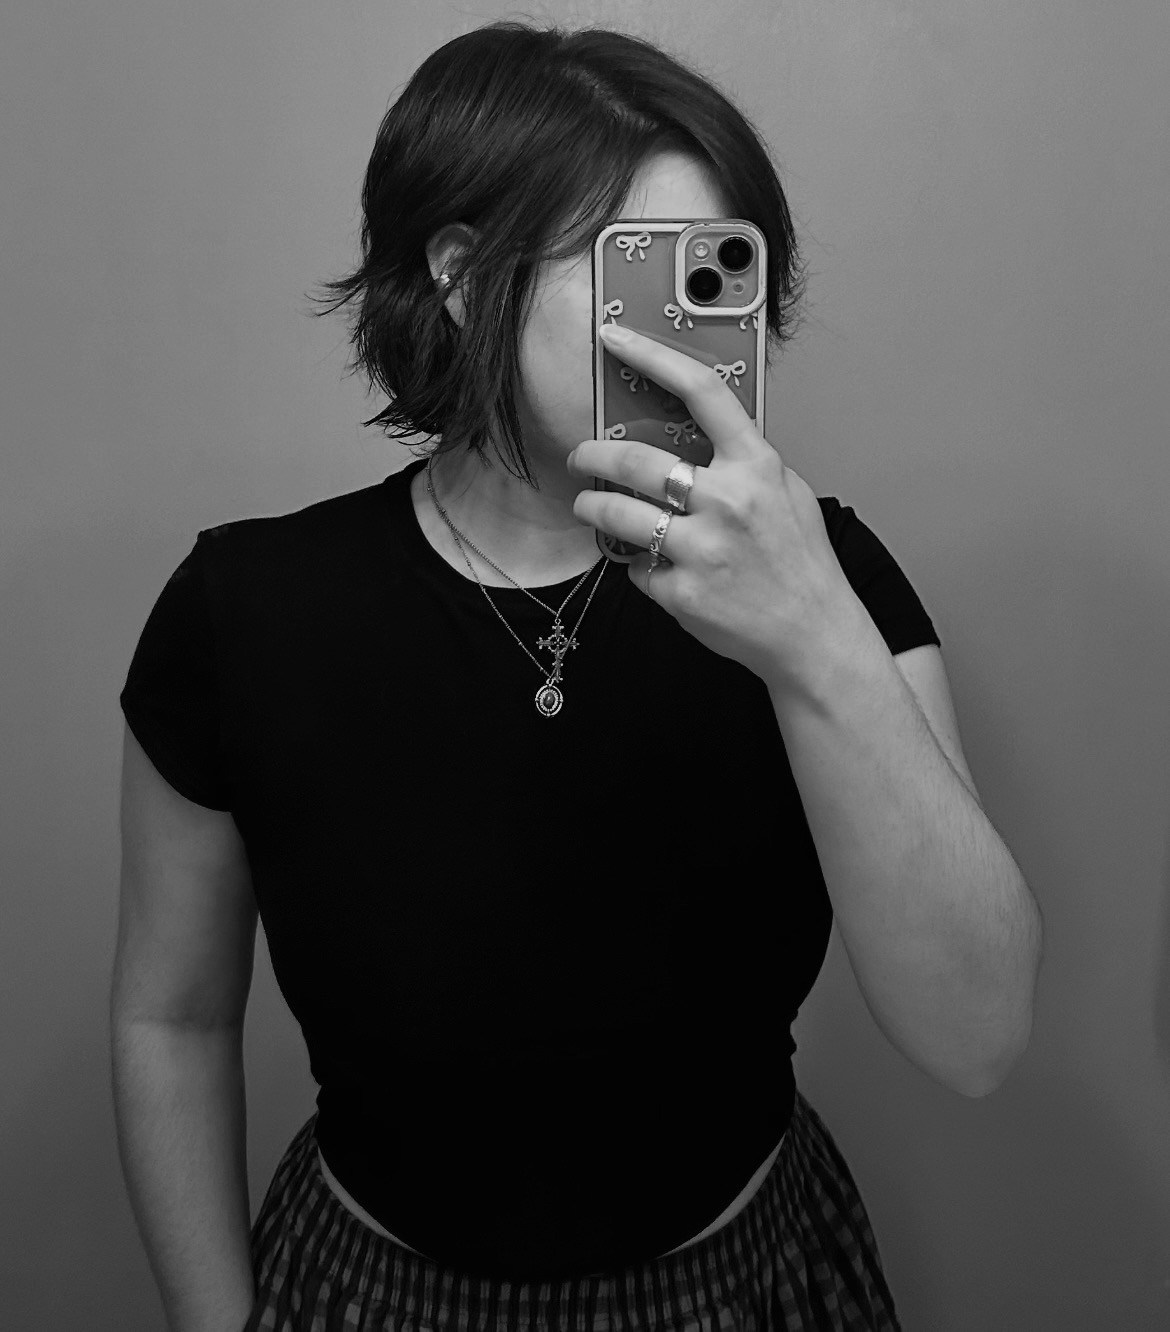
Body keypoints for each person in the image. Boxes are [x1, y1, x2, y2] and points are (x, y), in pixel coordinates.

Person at [110, 19, 1043, 1332]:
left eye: (713, 279)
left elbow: (977, 1037)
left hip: (748, 1286)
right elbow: (172, 1019)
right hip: (365, 1292)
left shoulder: (823, 579)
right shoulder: (246, 608)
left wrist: (813, 639)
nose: (684, 333)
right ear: (458, 274)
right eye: (632, 271)